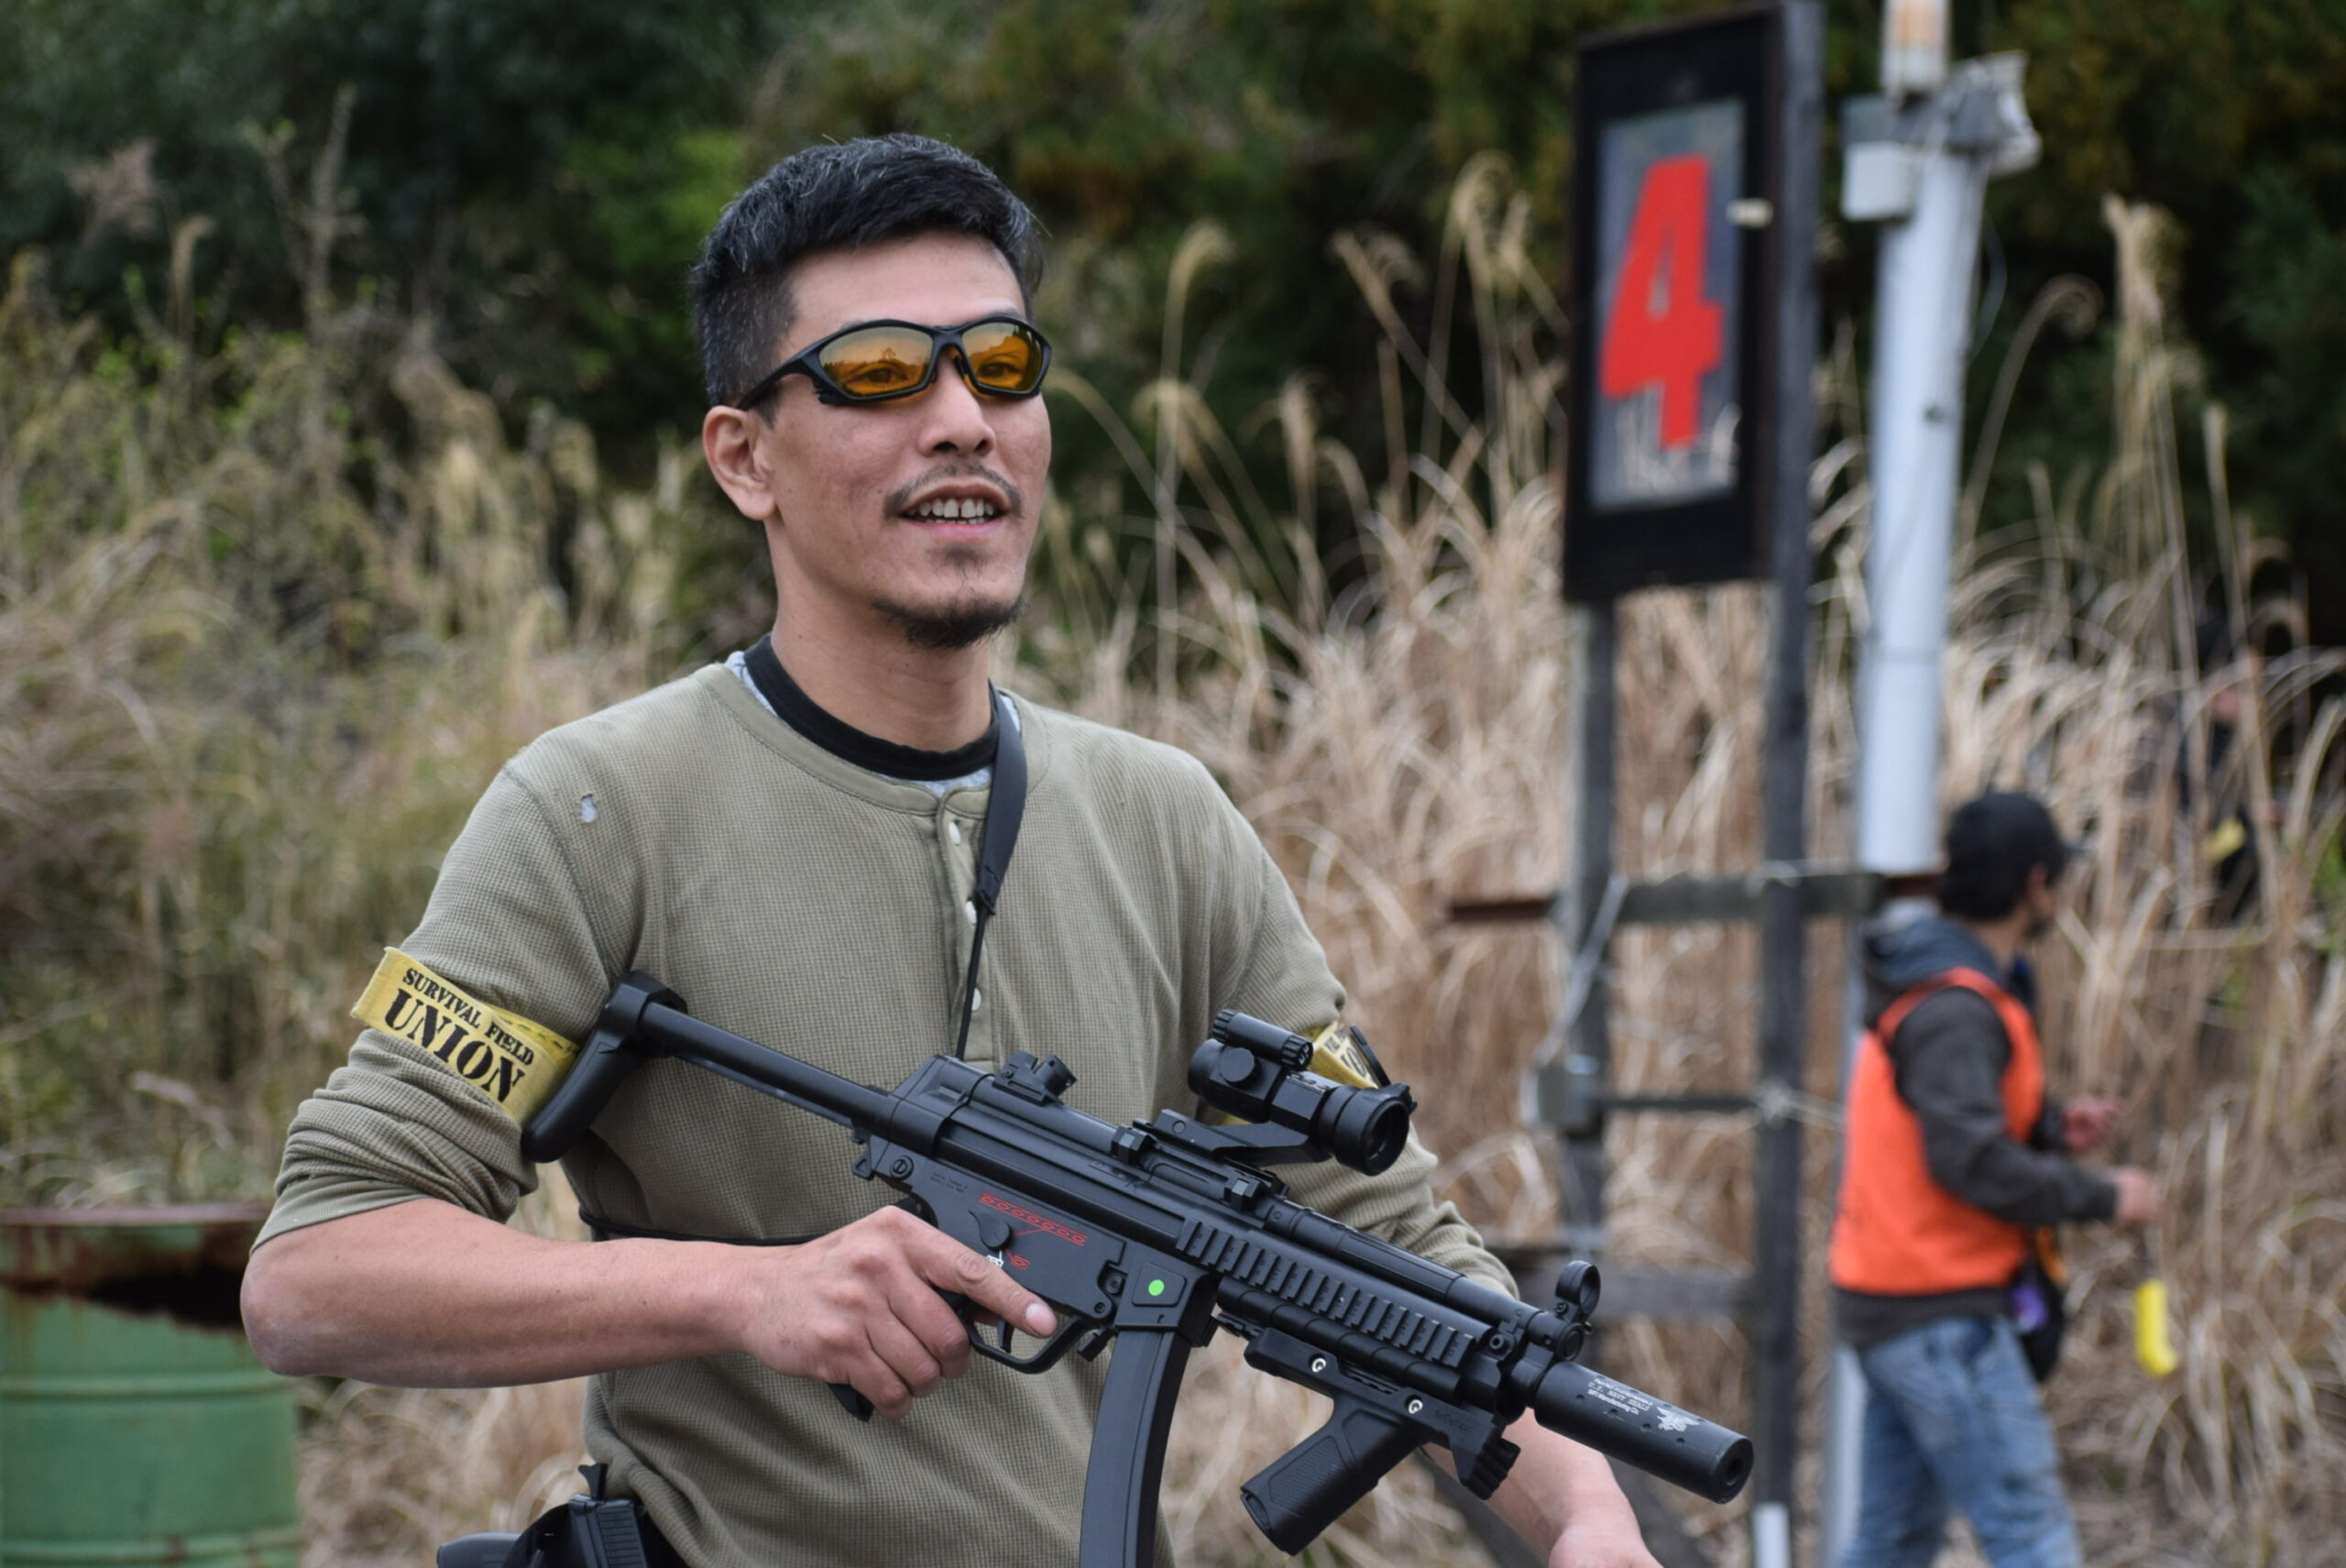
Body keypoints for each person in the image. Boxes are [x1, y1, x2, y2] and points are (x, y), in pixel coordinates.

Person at [238, 134, 1659, 1568]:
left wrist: (1593, 1519)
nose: (964, 420)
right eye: (878, 373)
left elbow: (1400, 1245)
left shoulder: (1167, 821)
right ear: (744, 457)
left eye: (1001, 364)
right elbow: (318, 1269)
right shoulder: (596, 811)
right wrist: (744, 1291)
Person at [1829, 792, 2162, 1568]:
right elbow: (1970, 1161)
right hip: (1939, 1312)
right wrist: (2107, 1196)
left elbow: (1947, 1122)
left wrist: (2049, 1125)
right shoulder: (1958, 1006)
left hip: (1897, 1304)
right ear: (2036, 884)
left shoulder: (1937, 980)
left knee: (1892, 1545)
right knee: (2033, 1539)